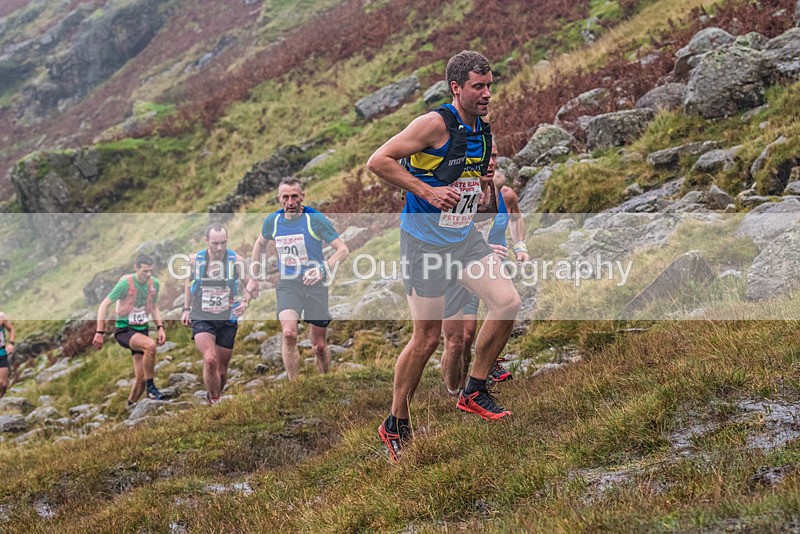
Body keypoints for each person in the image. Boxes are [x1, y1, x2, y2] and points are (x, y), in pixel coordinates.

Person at [367, 50, 521, 462]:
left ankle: (474, 390)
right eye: (478, 86)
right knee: (427, 339)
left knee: (507, 302)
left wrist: (483, 189)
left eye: (490, 85)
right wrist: (428, 192)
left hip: (463, 238)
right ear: (456, 87)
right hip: (424, 244)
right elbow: (378, 161)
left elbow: (476, 184)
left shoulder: (483, 128)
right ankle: (395, 421)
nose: (487, 94)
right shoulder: (434, 124)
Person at [441, 140, 531, 394]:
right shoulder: (460, 193)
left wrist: (519, 246)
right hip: (463, 267)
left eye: (494, 156)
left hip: (492, 269)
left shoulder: (504, 193)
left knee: (504, 310)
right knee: (462, 338)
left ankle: (482, 373)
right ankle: (457, 388)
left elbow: (515, 217)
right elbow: (450, 233)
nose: (490, 162)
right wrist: (482, 247)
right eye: (484, 157)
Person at [247, 178, 349, 380]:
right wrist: (253, 278)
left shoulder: (314, 219)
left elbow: (342, 250)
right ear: (279, 199)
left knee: (319, 346)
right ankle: (295, 385)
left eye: (294, 196)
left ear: (302, 196)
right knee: (289, 333)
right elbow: (259, 244)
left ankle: (325, 381)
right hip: (288, 284)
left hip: (315, 285)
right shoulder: (273, 221)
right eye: (285, 197)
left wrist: (322, 269)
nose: (290, 202)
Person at [182, 223, 251, 404]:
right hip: (202, 316)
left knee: (221, 370)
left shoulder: (236, 261)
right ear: (206, 241)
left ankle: (213, 394)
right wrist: (186, 309)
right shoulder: (195, 261)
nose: (220, 248)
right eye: (215, 243)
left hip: (227, 318)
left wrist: (245, 302)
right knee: (210, 359)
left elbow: (250, 284)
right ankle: (215, 401)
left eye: (223, 243)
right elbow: (189, 284)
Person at [92, 254, 166, 404]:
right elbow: (103, 305)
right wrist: (100, 332)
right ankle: (152, 389)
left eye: (150, 270)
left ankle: (131, 405)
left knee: (141, 377)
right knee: (150, 345)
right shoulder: (125, 284)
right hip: (125, 330)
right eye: (145, 271)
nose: (148, 274)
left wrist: (160, 327)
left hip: (142, 330)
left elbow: (154, 307)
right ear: (136, 268)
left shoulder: (154, 284)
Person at [0, 312, 15, 399]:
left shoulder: (1, 316)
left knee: (4, 384)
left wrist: (11, 343)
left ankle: (1, 399)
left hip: (1, 352)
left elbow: (11, 329)